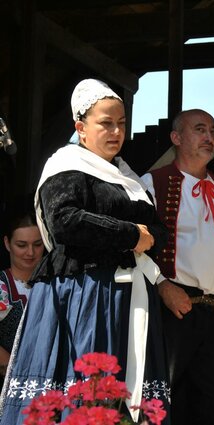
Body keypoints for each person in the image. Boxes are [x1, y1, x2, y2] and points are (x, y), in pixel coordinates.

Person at [0, 79, 171, 424]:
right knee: (83, 391)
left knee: (127, 397)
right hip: (85, 293)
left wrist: (139, 236)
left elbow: (157, 232)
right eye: (105, 123)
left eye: (121, 123)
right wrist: (129, 234)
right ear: (80, 127)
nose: (116, 131)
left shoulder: (128, 178)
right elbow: (64, 221)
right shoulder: (65, 168)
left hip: (127, 298)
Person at [140, 108, 214, 424]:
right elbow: (134, 246)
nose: (209, 137)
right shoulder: (153, 184)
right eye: (199, 129)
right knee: (162, 399)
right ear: (176, 138)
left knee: (211, 404)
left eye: (212, 131)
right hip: (173, 311)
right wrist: (162, 285)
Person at [0, 210, 44, 384]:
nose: (30, 252)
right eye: (21, 245)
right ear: (7, 243)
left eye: (38, 244)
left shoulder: (58, 285)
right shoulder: (2, 285)